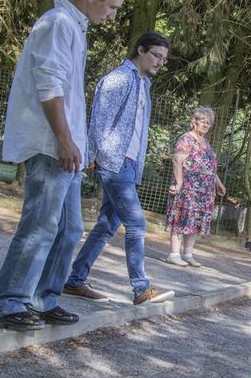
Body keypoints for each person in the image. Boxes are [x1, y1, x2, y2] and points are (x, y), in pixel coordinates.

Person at [0, 0, 127, 331]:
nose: (112, 17)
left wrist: (79, 145)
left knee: (68, 227)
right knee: (40, 225)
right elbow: (49, 86)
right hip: (52, 144)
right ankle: (7, 303)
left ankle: (42, 298)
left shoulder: (74, 28)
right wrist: (65, 140)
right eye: (111, 8)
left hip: (69, 147)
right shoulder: (57, 24)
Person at [62, 32, 175, 305]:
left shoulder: (143, 83)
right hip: (114, 162)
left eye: (164, 59)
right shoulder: (119, 78)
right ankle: (141, 288)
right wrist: (91, 154)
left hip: (129, 163)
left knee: (106, 226)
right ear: (140, 50)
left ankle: (75, 281)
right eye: (156, 56)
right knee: (136, 223)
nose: (160, 62)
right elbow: (99, 121)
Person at [164, 107, 226, 267]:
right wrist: (178, 183)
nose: (206, 124)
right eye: (203, 121)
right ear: (194, 121)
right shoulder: (186, 139)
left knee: (194, 222)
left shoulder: (206, 143)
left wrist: (218, 183)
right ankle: (174, 254)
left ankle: (188, 254)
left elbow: (209, 167)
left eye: (209, 122)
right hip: (187, 189)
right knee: (181, 219)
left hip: (204, 192)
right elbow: (177, 161)